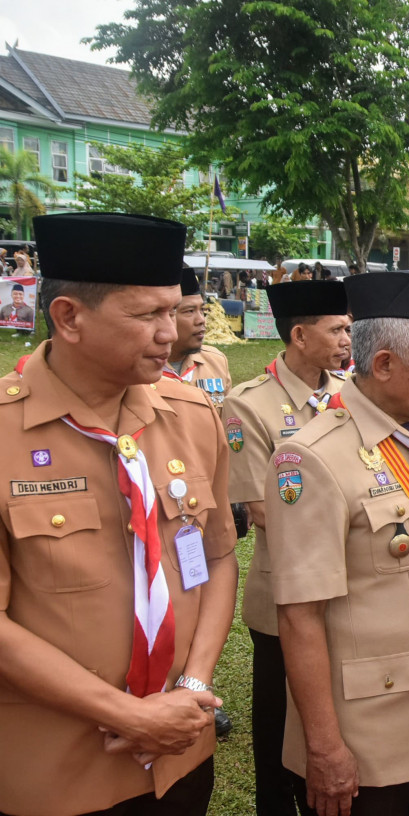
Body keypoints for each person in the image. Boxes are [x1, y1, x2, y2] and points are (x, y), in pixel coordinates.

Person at [0, 212, 238, 816]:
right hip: (61, 771)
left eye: (175, 310)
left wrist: (194, 686)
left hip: (182, 753)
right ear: (69, 318)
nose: (172, 332)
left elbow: (217, 556)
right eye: (146, 316)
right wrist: (129, 716)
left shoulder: (191, 414)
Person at [266, 272, 409, 816]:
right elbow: (300, 616)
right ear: (385, 364)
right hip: (369, 731)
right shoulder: (313, 459)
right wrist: (325, 747)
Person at [221, 279, 350, 816]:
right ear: (299, 334)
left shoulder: (350, 390)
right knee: (279, 724)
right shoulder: (249, 405)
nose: (349, 339)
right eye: (338, 329)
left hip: (349, 588)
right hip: (285, 598)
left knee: (330, 711)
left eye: (349, 328)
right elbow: (260, 510)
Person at [162, 268, 233, 409]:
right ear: (165, 316)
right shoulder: (141, 371)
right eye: (189, 311)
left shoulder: (216, 362)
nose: (201, 320)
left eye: (202, 310)